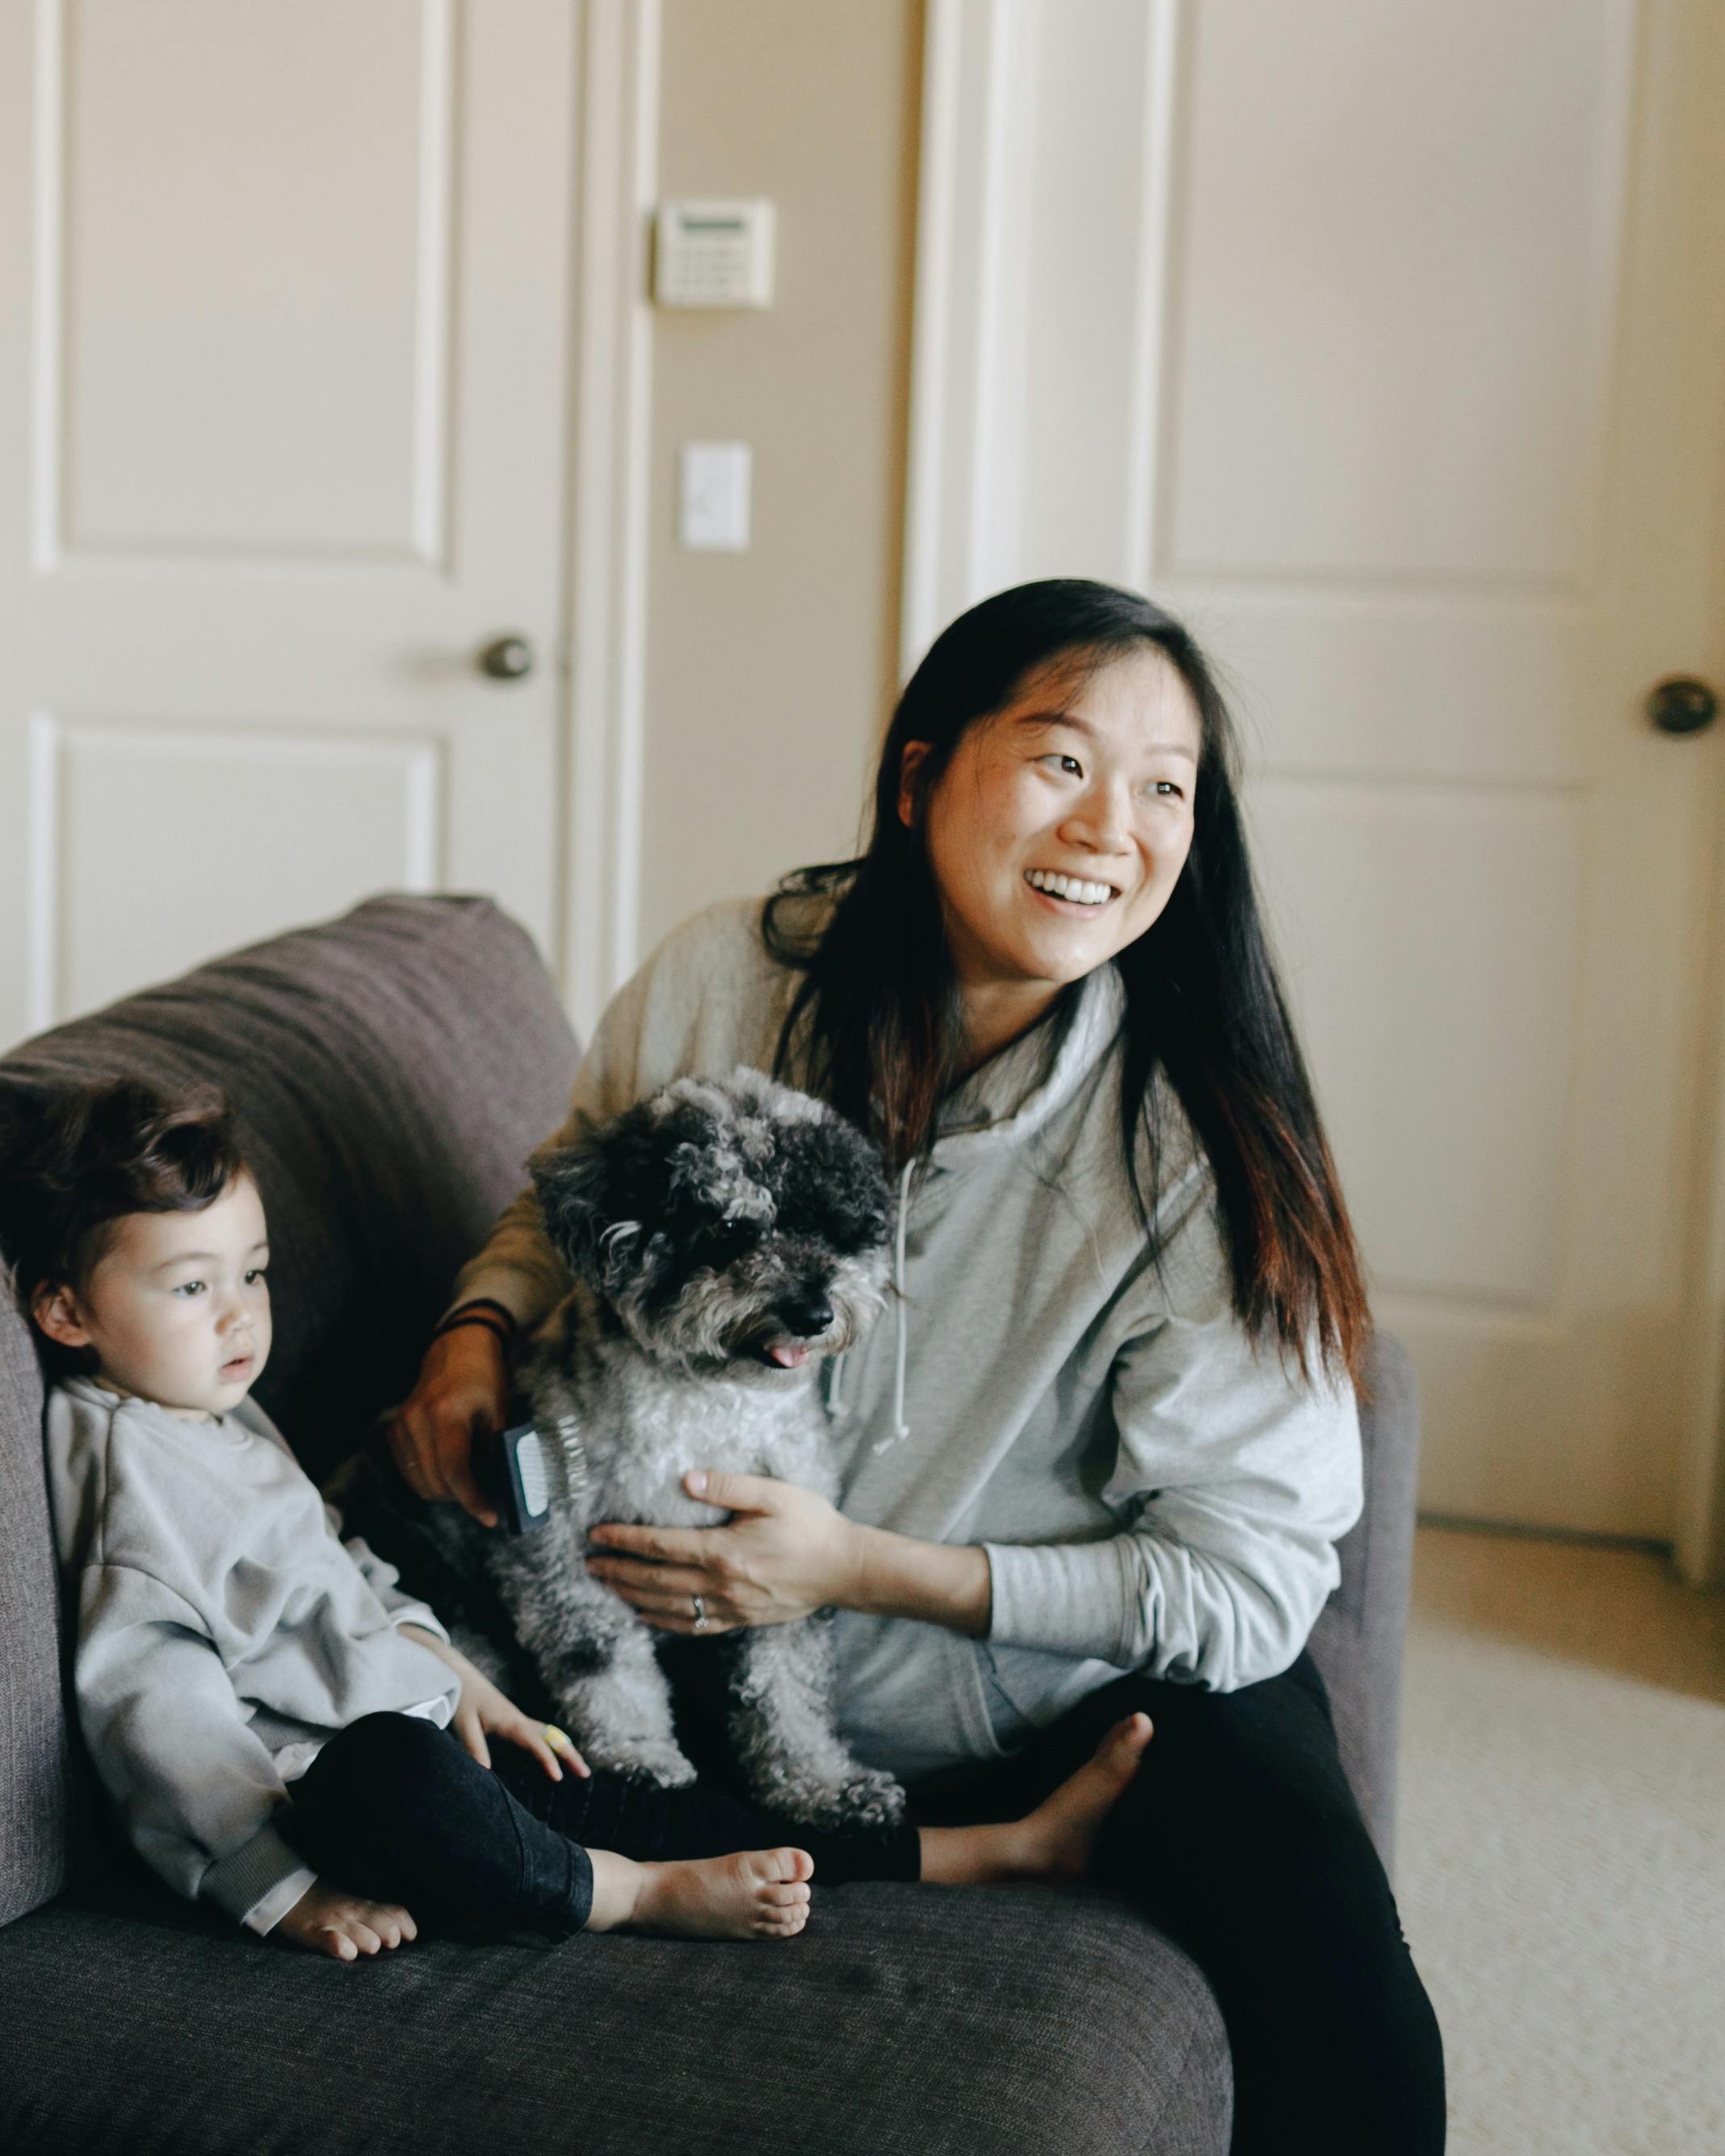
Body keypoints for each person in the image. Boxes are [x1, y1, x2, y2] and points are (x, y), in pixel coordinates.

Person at [382, 578, 1442, 2151]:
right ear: (917, 774)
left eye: (1167, 785)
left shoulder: (1195, 1143)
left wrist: (861, 1566)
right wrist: (473, 1330)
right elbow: (569, 1196)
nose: (1114, 825)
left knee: (1348, 2003)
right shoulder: (728, 973)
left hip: (1060, 1676)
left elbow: (1244, 1584)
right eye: (1063, 758)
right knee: (393, 1758)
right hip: (681, 1658)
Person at [0, 1070, 1153, 1961]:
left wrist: (461, 1678)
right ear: (64, 1311)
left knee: (636, 1791)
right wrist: (280, 1890)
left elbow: (337, 1572)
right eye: (192, 1288)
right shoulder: (129, 1480)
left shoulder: (210, 1409)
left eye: (252, 1273)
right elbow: (157, 1712)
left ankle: (990, 1852)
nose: (242, 1317)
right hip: (320, 1792)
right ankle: (631, 1895)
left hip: (432, 1716)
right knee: (416, 1781)